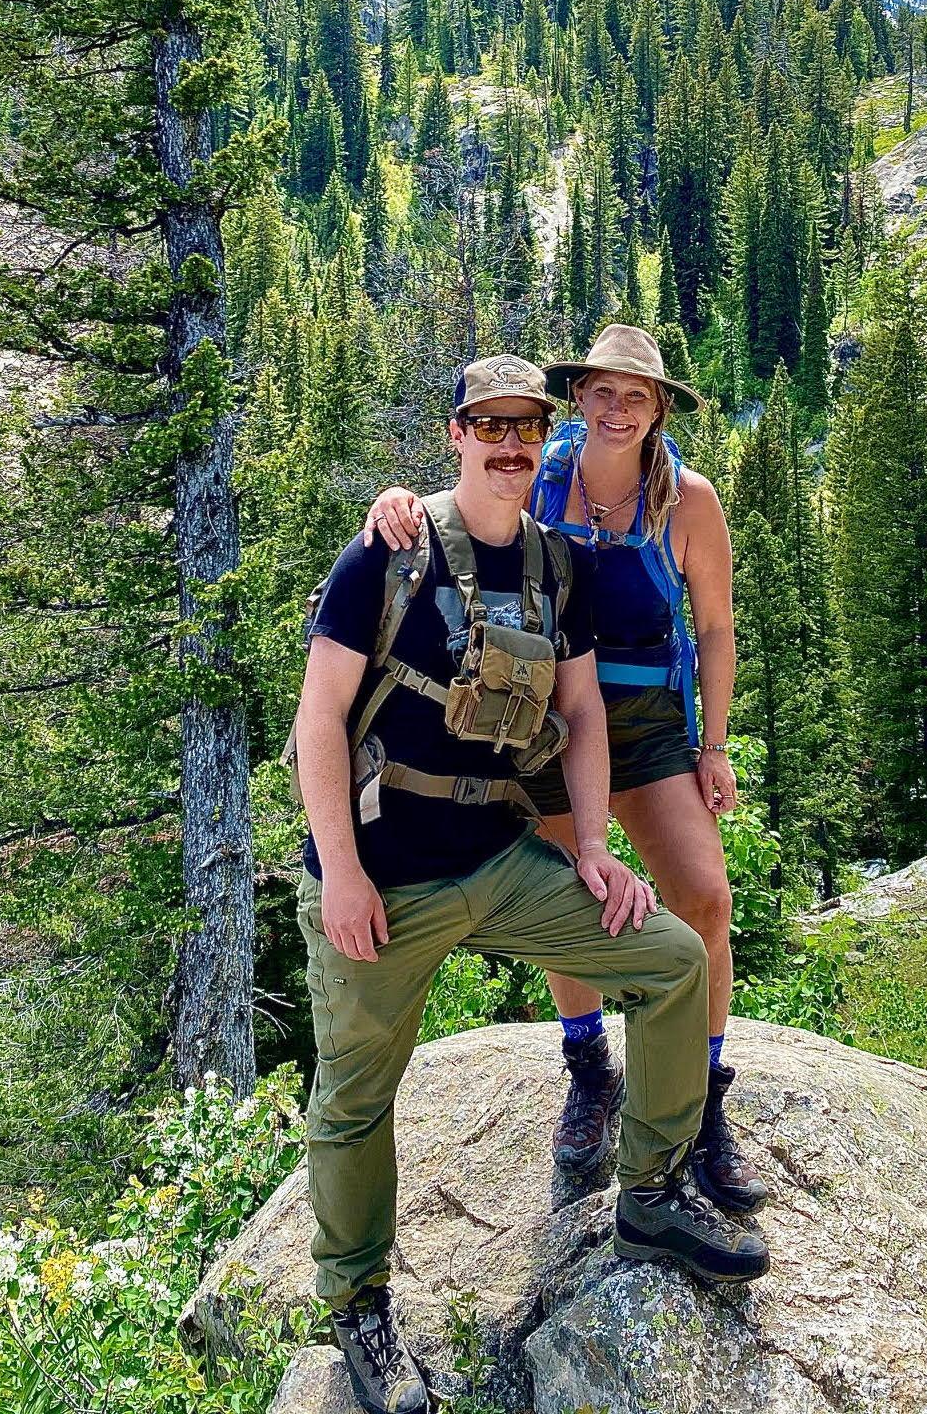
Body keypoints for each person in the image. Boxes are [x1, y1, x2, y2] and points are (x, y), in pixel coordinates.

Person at [295, 355, 768, 1414]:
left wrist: (591, 849)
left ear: (541, 434)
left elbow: (585, 712)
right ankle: (359, 1305)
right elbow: (316, 720)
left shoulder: (559, 566)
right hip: (385, 878)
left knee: (672, 958)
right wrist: (341, 873)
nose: (510, 445)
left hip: (498, 857)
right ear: (457, 433)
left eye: (524, 427)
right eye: (490, 426)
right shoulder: (388, 551)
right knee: (354, 1100)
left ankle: (649, 1192)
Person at [361, 324, 768, 1217]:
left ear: (658, 410)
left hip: (650, 726)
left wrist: (714, 746)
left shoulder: (689, 501)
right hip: (544, 717)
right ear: (578, 397)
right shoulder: (544, 473)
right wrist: (397, 502)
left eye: (637, 395)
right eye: (602, 391)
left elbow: (715, 628)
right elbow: (467, 501)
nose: (618, 409)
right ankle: (589, 1066)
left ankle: (702, 1101)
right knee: (570, 901)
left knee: (705, 899)